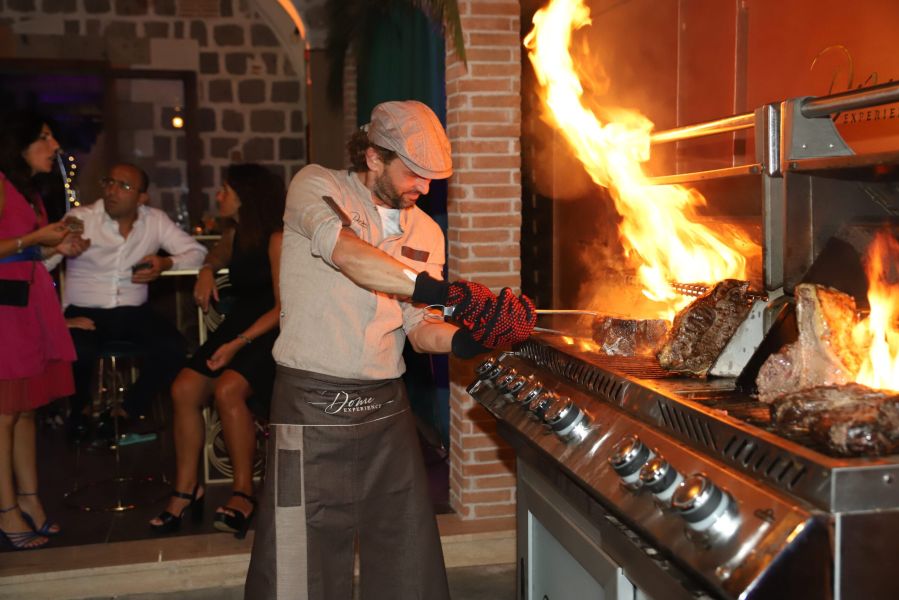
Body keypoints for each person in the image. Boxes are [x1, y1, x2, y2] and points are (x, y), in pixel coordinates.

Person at [244, 100, 536, 599]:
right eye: (414, 173)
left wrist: (474, 338)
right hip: (311, 403)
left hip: (385, 405)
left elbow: (420, 328)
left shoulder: (426, 231)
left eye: (432, 178)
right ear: (375, 156)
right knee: (299, 554)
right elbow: (349, 256)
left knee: (406, 551)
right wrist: (447, 293)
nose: (424, 188)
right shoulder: (317, 185)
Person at [150, 164, 285, 537]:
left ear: (246, 196)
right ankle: (187, 489)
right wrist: (207, 271)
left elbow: (283, 308)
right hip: (237, 325)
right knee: (184, 388)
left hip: (271, 330)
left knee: (228, 390)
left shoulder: (277, 238)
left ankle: (243, 493)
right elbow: (215, 255)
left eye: (225, 190)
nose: (218, 196)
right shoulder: (237, 232)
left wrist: (237, 344)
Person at [45, 163, 207, 439]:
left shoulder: (155, 220)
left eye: (123, 186)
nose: (112, 190)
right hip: (85, 310)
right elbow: (44, 264)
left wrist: (166, 263)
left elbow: (197, 253)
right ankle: (80, 411)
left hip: (133, 311)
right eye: (109, 182)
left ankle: (126, 411)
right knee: (78, 349)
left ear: (142, 197)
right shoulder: (81, 218)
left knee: (174, 348)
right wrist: (59, 248)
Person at [0, 111, 88, 550]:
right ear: (19, 144)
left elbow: (24, 253)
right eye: (45, 138)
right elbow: (13, 247)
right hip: (5, 309)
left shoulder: (27, 190)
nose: (54, 147)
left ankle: (30, 499)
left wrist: (58, 245)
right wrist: (35, 239)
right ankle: (6, 510)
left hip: (28, 304)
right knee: (5, 413)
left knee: (26, 409)